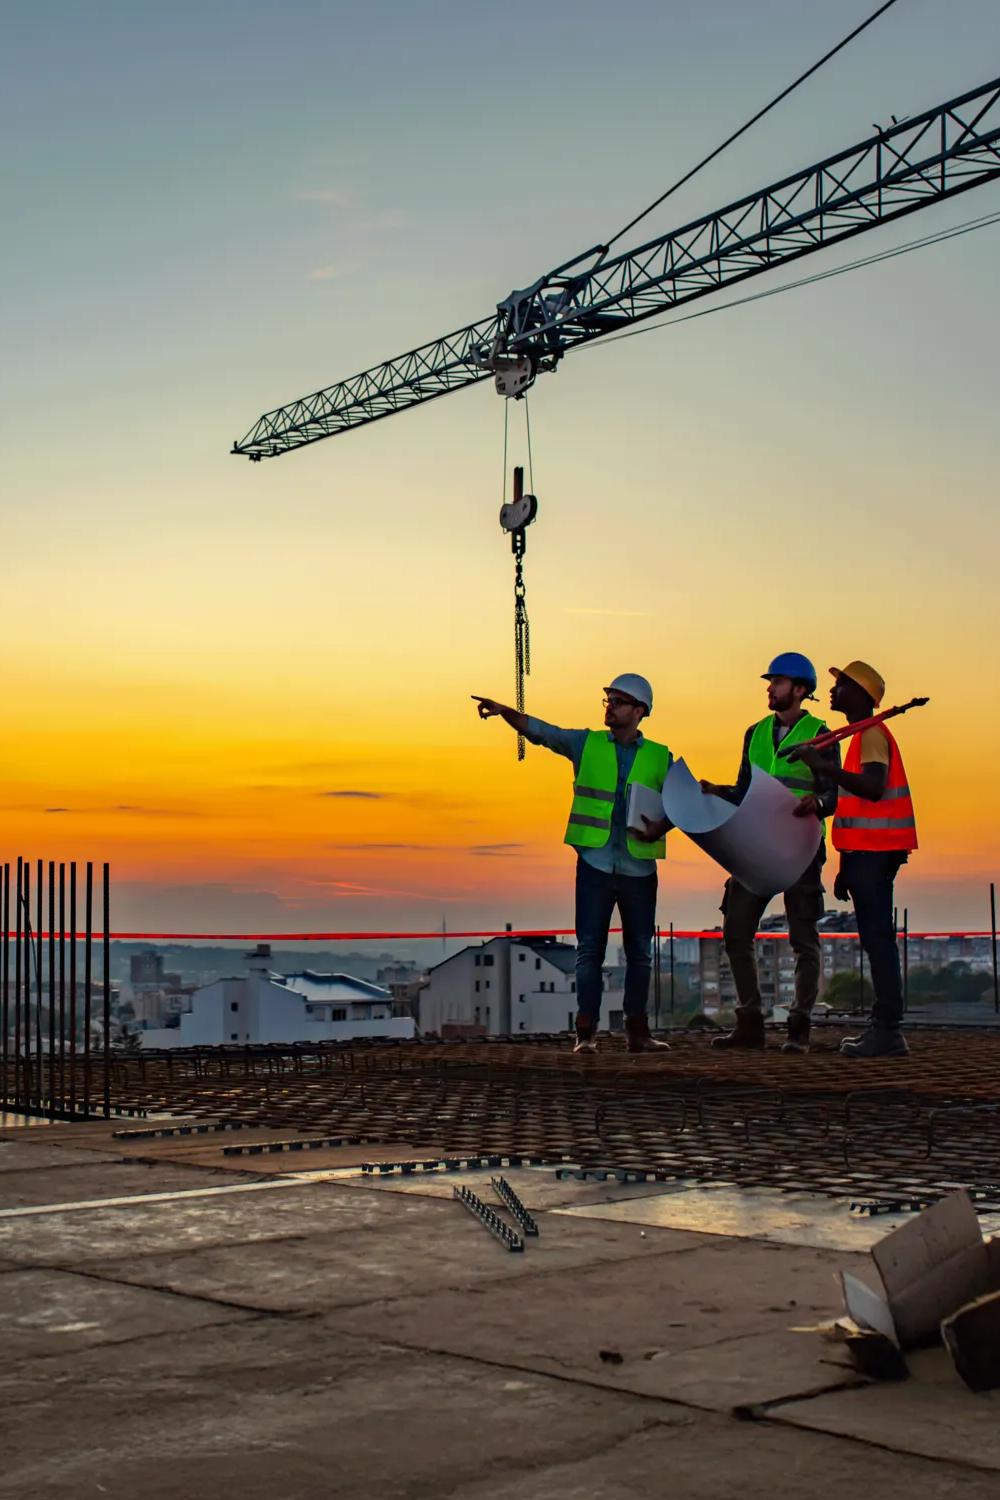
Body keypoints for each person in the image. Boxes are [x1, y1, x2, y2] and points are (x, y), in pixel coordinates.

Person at [473, 675, 672, 1054]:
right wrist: (505, 713)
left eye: (619, 700)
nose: (610, 706)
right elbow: (543, 732)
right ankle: (586, 1034)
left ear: (640, 711)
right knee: (589, 951)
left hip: (638, 870)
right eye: (608, 699)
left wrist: (661, 825)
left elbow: (684, 802)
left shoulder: (660, 756)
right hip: (595, 864)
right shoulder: (587, 743)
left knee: (641, 953)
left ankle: (637, 1033)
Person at [701, 653, 840, 1054]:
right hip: (756, 846)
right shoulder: (755, 732)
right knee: (736, 930)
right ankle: (750, 1025)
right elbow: (747, 788)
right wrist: (719, 792)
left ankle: (799, 1028)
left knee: (803, 938)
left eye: (777, 682)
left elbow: (835, 793)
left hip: (800, 849)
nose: (769, 688)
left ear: (799, 690)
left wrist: (819, 803)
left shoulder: (821, 734)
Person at [797, 661, 917, 1058]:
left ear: (863, 695)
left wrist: (823, 767)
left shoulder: (870, 737)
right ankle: (885, 1028)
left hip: (876, 854)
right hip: (867, 855)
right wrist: (847, 866)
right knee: (876, 939)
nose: (833, 691)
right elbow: (856, 807)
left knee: (879, 941)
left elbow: (872, 788)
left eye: (842, 684)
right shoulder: (861, 738)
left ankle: (887, 1029)